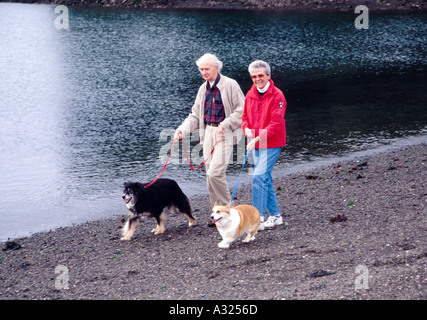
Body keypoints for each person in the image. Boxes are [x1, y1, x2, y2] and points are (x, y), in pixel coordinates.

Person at [174, 53, 244, 206]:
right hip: (207, 133)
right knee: (209, 175)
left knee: (215, 174)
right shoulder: (202, 89)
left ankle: (228, 209)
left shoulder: (230, 84)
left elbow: (242, 109)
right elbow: (195, 115)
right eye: (201, 69)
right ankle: (216, 211)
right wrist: (182, 130)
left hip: (226, 132)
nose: (204, 72)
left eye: (207, 69)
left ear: (217, 68)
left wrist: (225, 124)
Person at [241, 60, 287, 230]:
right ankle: (275, 216)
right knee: (264, 178)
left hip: (272, 142)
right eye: (254, 76)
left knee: (258, 177)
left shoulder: (278, 95)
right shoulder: (250, 94)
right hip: (255, 142)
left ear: (268, 76)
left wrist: (257, 138)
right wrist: (246, 130)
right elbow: (244, 118)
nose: (257, 79)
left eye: (261, 75)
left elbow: (275, 124)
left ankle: (257, 218)